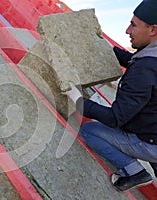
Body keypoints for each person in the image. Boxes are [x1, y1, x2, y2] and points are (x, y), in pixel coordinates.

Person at [65, 0, 157, 191]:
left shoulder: (145, 70)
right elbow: (131, 60)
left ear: (153, 30)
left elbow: (115, 118)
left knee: (90, 130)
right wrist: (106, 46)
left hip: (148, 140)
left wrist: (78, 101)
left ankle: (135, 172)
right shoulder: (151, 56)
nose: (127, 31)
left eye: (134, 25)